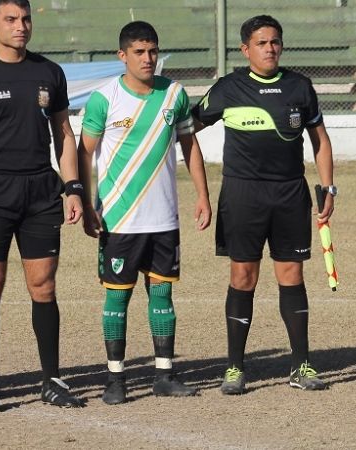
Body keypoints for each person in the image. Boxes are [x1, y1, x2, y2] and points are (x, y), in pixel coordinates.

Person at [0, 0, 85, 412]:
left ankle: (52, 380)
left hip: (41, 194)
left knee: (43, 287)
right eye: (10, 19)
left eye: (25, 19)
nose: (20, 26)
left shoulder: (49, 72)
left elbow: (64, 135)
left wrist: (73, 187)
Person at [191, 15, 335, 395]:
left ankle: (300, 365)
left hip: (289, 194)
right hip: (243, 196)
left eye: (275, 42)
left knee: (292, 277)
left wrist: (329, 187)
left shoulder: (299, 87)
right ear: (245, 49)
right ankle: (235, 368)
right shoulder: (228, 88)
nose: (270, 48)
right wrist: (201, 192)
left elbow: (320, 139)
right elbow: (187, 129)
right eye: (261, 43)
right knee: (243, 277)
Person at [77, 21, 211, 405]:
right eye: (138, 51)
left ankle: (164, 375)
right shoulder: (104, 100)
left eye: (152, 51)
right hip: (119, 219)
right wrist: (86, 203)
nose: (147, 58)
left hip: (164, 219)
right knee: (117, 299)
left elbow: (190, 146)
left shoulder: (175, 94)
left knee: (163, 295)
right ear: (122, 56)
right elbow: (84, 153)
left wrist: (202, 196)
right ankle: (115, 380)